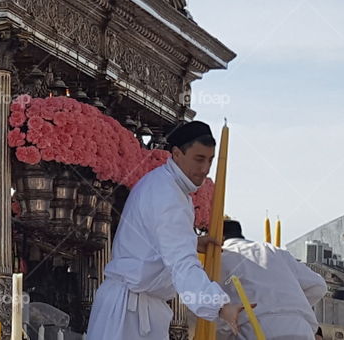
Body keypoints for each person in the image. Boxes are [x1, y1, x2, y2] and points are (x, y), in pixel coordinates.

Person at [87, 121, 245, 339]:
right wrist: (220, 306)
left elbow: (158, 242)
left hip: (139, 306)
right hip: (129, 314)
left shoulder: (167, 186)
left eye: (210, 160)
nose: (205, 169)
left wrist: (193, 241)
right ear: (177, 154)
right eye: (199, 159)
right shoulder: (167, 193)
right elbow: (181, 262)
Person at [216, 219, 328, 340]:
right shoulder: (273, 251)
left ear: (219, 236)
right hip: (300, 329)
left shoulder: (219, 258)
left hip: (255, 330)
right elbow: (319, 286)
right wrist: (287, 304)